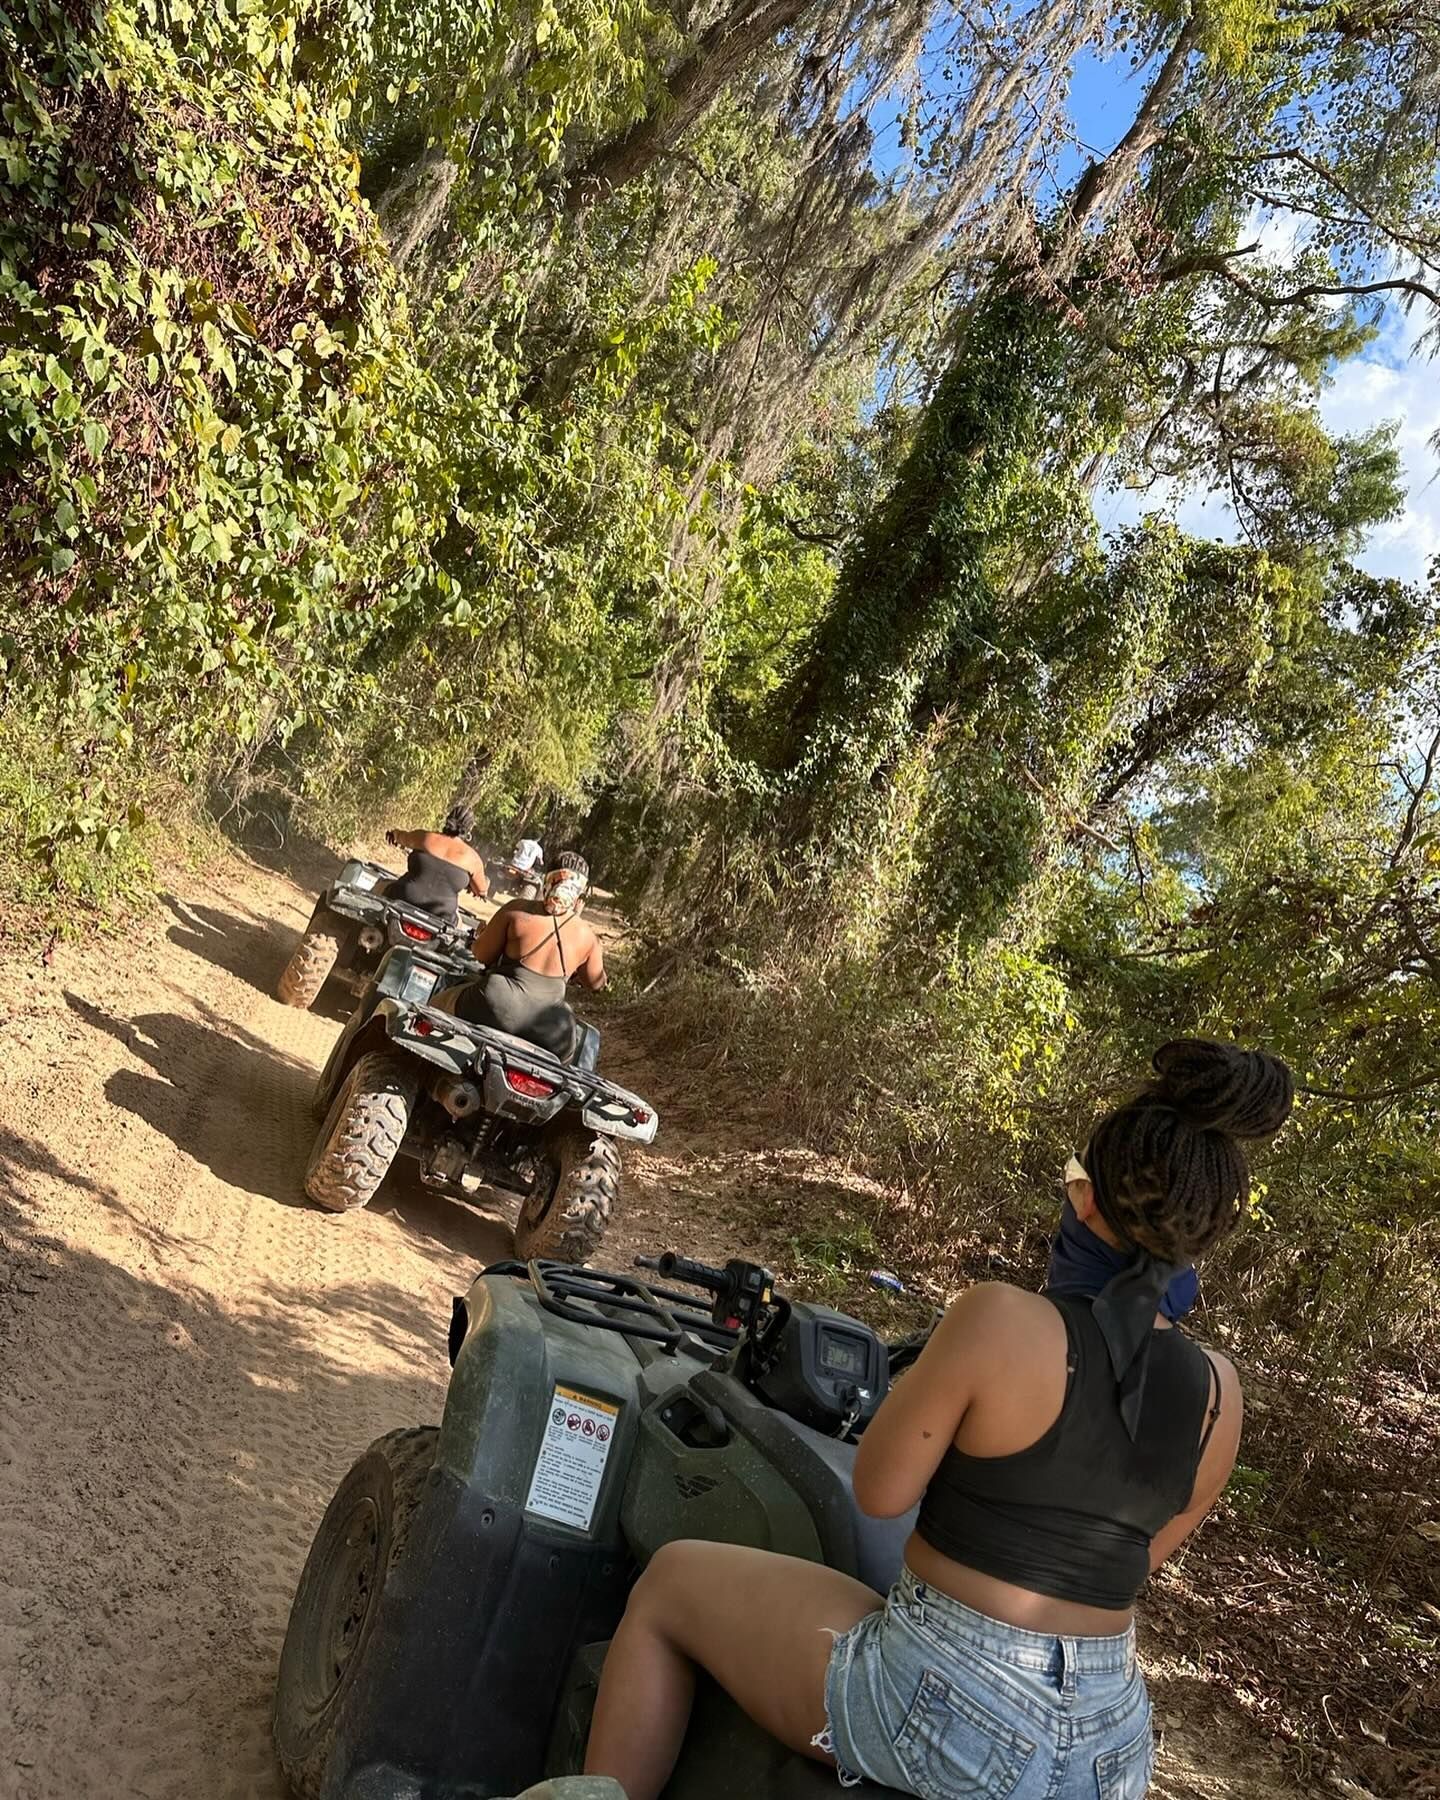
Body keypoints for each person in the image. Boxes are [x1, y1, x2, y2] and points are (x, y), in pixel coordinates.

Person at [583, 1039, 1294, 1800]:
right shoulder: (1222, 1392)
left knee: (671, 1583)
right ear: (1204, 1236)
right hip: (1110, 1748)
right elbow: (1131, 1562)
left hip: (953, 1698)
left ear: (1087, 1200)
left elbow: (882, 1492)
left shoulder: (1002, 1318)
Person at [444, 852, 605, 1058]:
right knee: (566, 1068)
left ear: (547, 878)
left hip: (496, 1003)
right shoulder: (588, 937)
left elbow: (481, 954)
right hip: (552, 1029)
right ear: (580, 891)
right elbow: (596, 983)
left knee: (439, 1004)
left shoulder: (517, 911)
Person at [383, 805, 489, 919]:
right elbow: (481, 891)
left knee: (380, 890)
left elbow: (400, 837)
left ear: (448, 819)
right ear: (469, 830)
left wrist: (394, 833)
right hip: (442, 915)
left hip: (403, 897)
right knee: (457, 926)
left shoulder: (424, 837)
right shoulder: (473, 859)